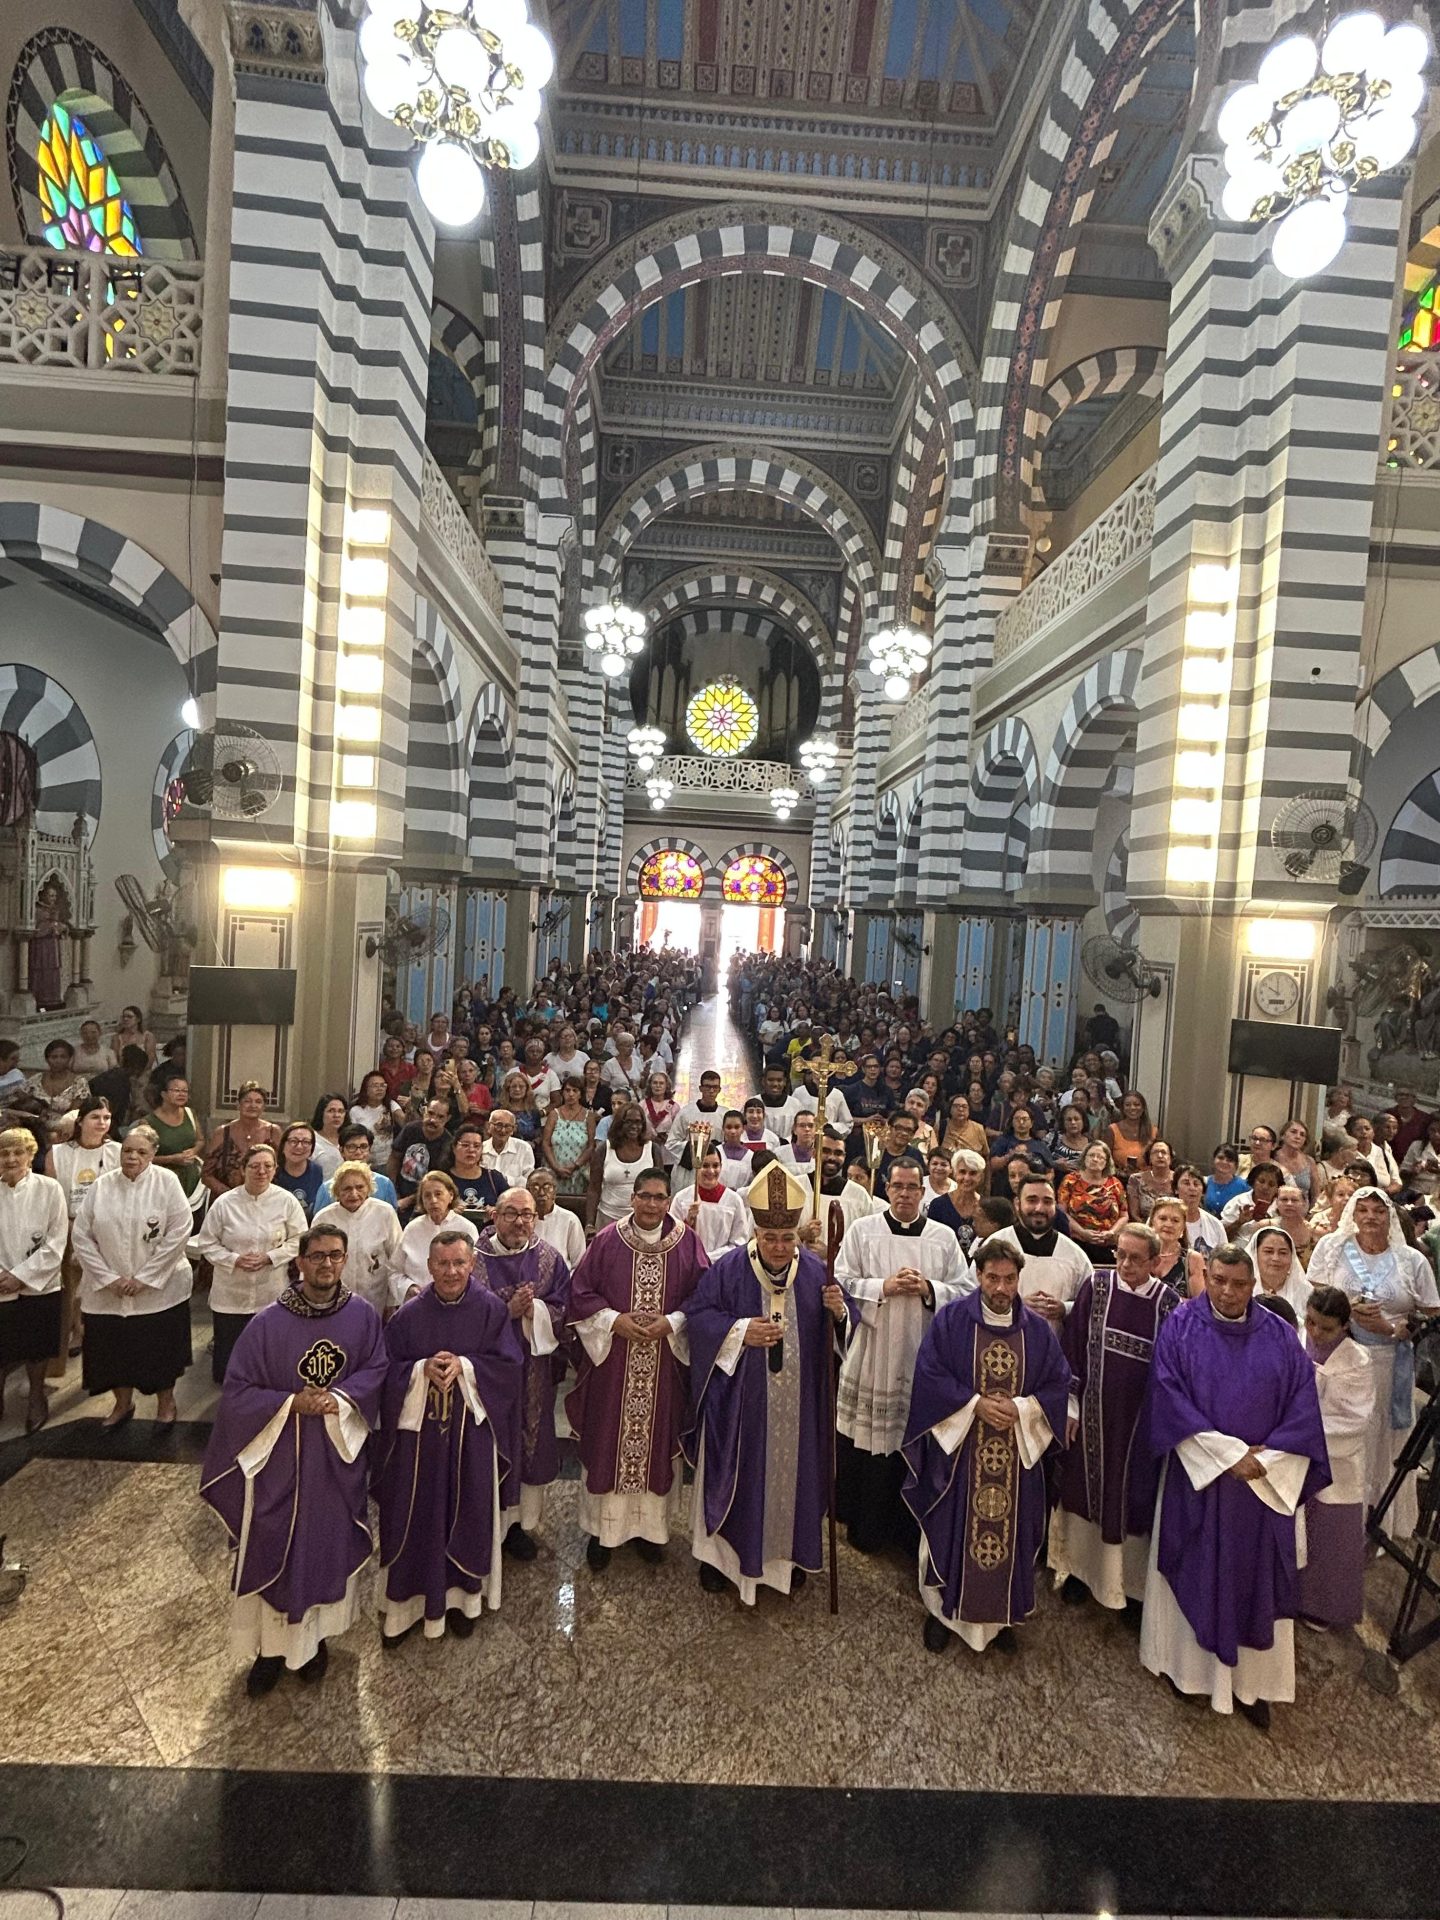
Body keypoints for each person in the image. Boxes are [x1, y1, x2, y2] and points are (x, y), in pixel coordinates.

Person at [1138, 1244, 1330, 1729]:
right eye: (1219, 1281)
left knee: (1256, 1580)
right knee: (1196, 1565)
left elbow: (1304, 1409)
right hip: (1199, 1481)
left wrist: (1264, 1460)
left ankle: (1252, 1685)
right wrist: (1226, 1457)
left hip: (1261, 1486)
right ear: (1207, 1277)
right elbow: (1168, 1396)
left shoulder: (1280, 1336)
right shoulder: (1180, 1326)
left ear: (1253, 1285)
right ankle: (1190, 1674)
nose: (1227, 1292)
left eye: (1239, 1284)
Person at [199, 1224, 388, 1693]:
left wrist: (340, 1398)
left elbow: (377, 1370)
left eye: (335, 1255)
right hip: (279, 1462)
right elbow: (238, 1391)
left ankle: (314, 1642)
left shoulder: (363, 1317)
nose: (327, 1264)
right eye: (317, 1256)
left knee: (324, 1545)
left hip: (334, 1460)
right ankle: (268, 1650)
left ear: (345, 1260)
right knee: (271, 1542)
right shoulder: (267, 1323)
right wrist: (290, 1403)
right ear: (299, 1262)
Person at [685, 1162, 849, 1603]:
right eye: (770, 1237)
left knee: (793, 1482)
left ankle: (784, 1561)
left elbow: (839, 1334)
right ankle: (720, 1558)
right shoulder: (729, 1269)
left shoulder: (816, 1272)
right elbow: (698, 1318)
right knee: (736, 1479)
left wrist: (838, 1312)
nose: (779, 1246)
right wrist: (740, 1331)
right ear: (756, 1232)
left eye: (787, 1238)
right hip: (740, 1408)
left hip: (799, 1409)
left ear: (799, 1235)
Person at [902, 1238, 1070, 1654]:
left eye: (1009, 1279)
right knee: (950, 1530)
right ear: (978, 1275)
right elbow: (929, 1374)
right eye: (992, 1278)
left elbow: (1057, 1383)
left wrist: (1021, 1408)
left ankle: (999, 1617)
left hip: (1015, 1455)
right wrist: (974, 1405)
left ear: (1018, 1279)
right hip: (960, 1455)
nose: (1000, 1288)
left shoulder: (1037, 1331)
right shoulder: (952, 1320)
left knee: (1011, 1537)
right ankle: (942, 1613)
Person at [374, 1228, 524, 1644]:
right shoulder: (408, 1316)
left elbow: (510, 1367)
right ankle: (406, 1607)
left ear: (472, 1264)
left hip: (470, 1437)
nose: (452, 1271)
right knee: (413, 1517)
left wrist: (467, 1368)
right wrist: (419, 1370)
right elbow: (384, 1372)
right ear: (429, 1266)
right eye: (442, 1264)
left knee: (468, 1510)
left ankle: (463, 1602)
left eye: (459, 1263)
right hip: (417, 1443)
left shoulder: (491, 1311)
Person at [566, 1166, 706, 1569]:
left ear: (669, 1201)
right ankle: (602, 1532)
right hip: (613, 1363)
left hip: (664, 1365)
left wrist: (673, 1322)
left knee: (657, 1443)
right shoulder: (608, 1240)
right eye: (644, 1196)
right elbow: (580, 1292)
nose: (651, 1204)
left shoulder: (687, 1242)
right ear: (632, 1198)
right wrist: (613, 1320)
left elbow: (704, 1297)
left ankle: (650, 1532)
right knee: (607, 1440)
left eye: (659, 1197)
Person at [834, 1157, 971, 1554]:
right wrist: (883, 1287)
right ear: (887, 1189)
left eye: (913, 1187)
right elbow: (840, 1281)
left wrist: (929, 1289)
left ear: (923, 1192)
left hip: (922, 1355)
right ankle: (866, 1527)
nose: (905, 1194)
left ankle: (907, 1533)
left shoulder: (943, 1238)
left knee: (913, 1441)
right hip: (873, 1351)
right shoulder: (863, 1230)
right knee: (871, 1444)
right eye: (898, 1186)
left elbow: (965, 1290)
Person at [1049, 1221, 1179, 1615]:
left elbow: (1174, 1368)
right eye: (1120, 1255)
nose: (1124, 1264)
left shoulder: (1169, 1304)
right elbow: (1073, 1344)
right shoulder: (1097, 1286)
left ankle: (1129, 1586)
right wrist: (1071, 1405)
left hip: (1139, 1426)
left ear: (1155, 1262)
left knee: (1132, 1500)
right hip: (1091, 1416)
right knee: (1083, 1491)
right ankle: (1078, 1571)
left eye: (1135, 1258)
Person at [1305, 1187, 1440, 1540]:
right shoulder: (1332, 1248)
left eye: (1378, 1211)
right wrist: (1347, 1312)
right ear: (1352, 1213)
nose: (1370, 1217)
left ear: (1390, 1216)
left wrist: (1393, 1329)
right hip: (1339, 1359)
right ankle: (1339, 1521)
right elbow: (1315, 1299)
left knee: (1384, 1439)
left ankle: (1381, 1521)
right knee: (1347, 1435)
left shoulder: (1411, 1260)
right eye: (1362, 1209)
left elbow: (1432, 1314)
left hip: (1389, 1361)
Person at [470, 1186, 571, 1557]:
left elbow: (565, 1308)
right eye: (511, 1213)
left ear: (536, 1219)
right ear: (495, 1216)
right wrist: (506, 1311)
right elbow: (461, 1313)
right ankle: (483, 1526)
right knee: (489, 1444)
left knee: (529, 1442)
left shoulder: (549, 1258)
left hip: (533, 1371)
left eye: (527, 1214)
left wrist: (535, 1311)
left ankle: (517, 1526)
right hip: (486, 1373)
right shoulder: (472, 1259)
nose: (519, 1222)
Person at [73, 1125, 193, 1429]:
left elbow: (179, 1230)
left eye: (141, 1152)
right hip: (108, 1290)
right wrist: (108, 1279)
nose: (132, 1157)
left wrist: (146, 1278)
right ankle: (122, 1403)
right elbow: (82, 1235)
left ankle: (166, 1403)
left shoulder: (166, 1182)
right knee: (113, 1352)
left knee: (159, 1352)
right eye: (127, 1150)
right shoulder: (102, 1185)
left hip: (158, 1290)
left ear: (153, 1154)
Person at [1296, 1287, 1375, 1632]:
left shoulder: (1357, 1361)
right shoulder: (1298, 1337)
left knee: (1328, 1531)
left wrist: (1303, 1430)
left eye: (1326, 1328)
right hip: (1294, 1448)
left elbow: (1353, 1419)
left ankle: (1320, 1603)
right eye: (1310, 1321)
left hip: (1334, 1458)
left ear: (1345, 1326)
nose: (1315, 1332)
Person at [196, 1144, 308, 1381]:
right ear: (242, 1169)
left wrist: (271, 1257)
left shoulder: (286, 1201)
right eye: (254, 1166)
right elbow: (207, 1242)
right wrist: (234, 1260)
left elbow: (300, 1239)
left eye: (268, 1166)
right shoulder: (225, 1203)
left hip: (270, 1289)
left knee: (268, 1356)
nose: (261, 1171)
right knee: (228, 1361)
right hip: (230, 1293)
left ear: (275, 1169)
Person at [0, 1126, 69, 1433]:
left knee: (37, 1345)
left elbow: (57, 1239)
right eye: (4, 1153)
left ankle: (36, 1397)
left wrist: (21, 1276)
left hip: (39, 1283)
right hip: (0, 1285)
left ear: (31, 1155)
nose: (11, 1159)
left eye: (18, 1152)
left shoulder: (49, 1189)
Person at [46, 1096, 121, 1358]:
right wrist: (71, 1229)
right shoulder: (58, 1153)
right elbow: (52, 1198)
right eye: (95, 1117)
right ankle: (75, 1330)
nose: (102, 1123)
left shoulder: (117, 1151)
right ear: (80, 1121)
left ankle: (100, 1333)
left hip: (107, 1227)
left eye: (106, 1118)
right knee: (72, 1286)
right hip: (68, 1224)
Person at [993, 1170, 1090, 1324]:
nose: (1039, 1208)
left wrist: (1065, 1309)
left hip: (1055, 1337)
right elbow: (971, 1295)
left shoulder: (1074, 1255)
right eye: (1032, 1200)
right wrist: (1015, 1306)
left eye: (1047, 1201)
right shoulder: (994, 1246)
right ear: (1017, 1204)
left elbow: (1091, 1302)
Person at [310, 1160, 401, 1316]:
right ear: (336, 1191)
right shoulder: (323, 1218)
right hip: (333, 1300)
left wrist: (393, 1302)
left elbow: (397, 1259)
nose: (353, 1194)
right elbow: (311, 1262)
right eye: (346, 1188)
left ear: (369, 1188)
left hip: (376, 1298)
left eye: (360, 1187)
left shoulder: (385, 1213)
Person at [392, 1170, 480, 1304]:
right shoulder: (412, 1229)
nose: (433, 1200)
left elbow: (478, 1271)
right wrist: (409, 1288)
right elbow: (394, 1271)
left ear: (451, 1195)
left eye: (438, 1194)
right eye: (427, 1196)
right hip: (419, 1303)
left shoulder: (467, 1228)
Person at [201, 1082, 283, 1199]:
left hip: (265, 1197)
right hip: (226, 1198)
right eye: (247, 1101)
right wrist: (231, 1196)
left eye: (258, 1102)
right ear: (238, 1105)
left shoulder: (273, 1132)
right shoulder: (222, 1133)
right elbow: (206, 1175)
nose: (253, 1105)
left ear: (264, 1107)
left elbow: (282, 1169)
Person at [672, 1141, 752, 1256]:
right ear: (696, 1166)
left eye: (715, 1166)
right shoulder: (682, 1199)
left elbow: (739, 1242)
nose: (711, 1171)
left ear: (721, 1166)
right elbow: (672, 1239)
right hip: (690, 1262)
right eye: (705, 1165)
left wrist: (709, 1258)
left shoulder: (734, 1200)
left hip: (722, 1263)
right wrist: (687, 1222)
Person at [589, 1103, 660, 1228]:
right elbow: (594, 1189)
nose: (634, 1126)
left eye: (638, 1122)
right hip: (607, 1217)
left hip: (642, 1220)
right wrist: (589, 1224)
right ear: (619, 1123)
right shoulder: (604, 1149)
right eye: (628, 1122)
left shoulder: (653, 1149)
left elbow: (660, 1188)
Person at [1058, 1142, 1128, 1262]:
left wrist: (1111, 1232)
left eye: (1100, 1157)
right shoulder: (1070, 1180)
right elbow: (1062, 1213)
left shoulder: (1115, 1183)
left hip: (1108, 1242)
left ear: (1106, 1162)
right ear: (1084, 1158)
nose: (1095, 1159)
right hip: (1077, 1241)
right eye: (1091, 1155)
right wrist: (1082, 1232)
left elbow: (1124, 1215)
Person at [389, 1097, 455, 1220]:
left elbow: (437, 1182)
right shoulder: (410, 1129)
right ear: (424, 1111)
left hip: (426, 1201)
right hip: (398, 1192)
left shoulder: (448, 1144)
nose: (433, 1120)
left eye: (440, 1117)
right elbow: (394, 1158)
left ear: (448, 1118)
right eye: (430, 1113)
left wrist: (409, 1200)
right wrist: (393, 1191)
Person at [149, 1076, 205, 1214]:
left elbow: (200, 1140)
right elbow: (144, 1157)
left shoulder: (190, 1113)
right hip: (163, 1179)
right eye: (176, 1090)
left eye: (185, 1091)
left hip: (191, 1178)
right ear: (163, 1094)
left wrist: (194, 1151)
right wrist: (173, 1159)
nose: (181, 1094)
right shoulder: (149, 1122)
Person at [314, 1126, 399, 1211]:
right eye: (351, 1147)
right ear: (341, 1151)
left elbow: (391, 1216)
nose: (358, 1152)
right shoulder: (327, 1189)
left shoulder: (385, 1184)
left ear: (370, 1149)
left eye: (363, 1146)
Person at [541, 1074, 595, 1202]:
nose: (571, 1094)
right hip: (554, 1170)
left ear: (580, 1094)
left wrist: (575, 1166)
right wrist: (556, 1168)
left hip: (578, 1172)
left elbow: (591, 1145)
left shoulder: (589, 1116)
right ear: (562, 1093)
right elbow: (546, 1143)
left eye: (575, 1091)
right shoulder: (554, 1114)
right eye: (567, 1090)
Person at [26, 1039, 89, 1137]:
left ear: (70, 1059)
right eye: (54, 1057)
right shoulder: (36, 1079)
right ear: (47, 1059)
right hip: (34, 1127)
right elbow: (23, 1102)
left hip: (66, 1129)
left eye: (63, 1057)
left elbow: (75, 1113)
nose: (58, 1061)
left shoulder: (79, 1083)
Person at [1250, 1225, 1312, 1320]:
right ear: (1255, 1255)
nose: (1276, 1258)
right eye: (1268, 1252)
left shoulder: (1306, 1292)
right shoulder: (1244, 1289)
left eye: (1283, 1253)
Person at [528, 1166, 586, 1268]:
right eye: (535, 1188)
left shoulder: (570, 1220)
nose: (541, 1193)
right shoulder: (521, 1219)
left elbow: (579, 1263)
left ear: (555, 1191)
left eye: (547, 1187)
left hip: (562, 1276)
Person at [349, 1071, 404, 1173]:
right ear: (366, 1089)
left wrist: (410, 1108)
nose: (380, 1089)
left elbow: (405, 1123)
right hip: (364, 1160)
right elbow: (352, 1136)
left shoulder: (390, 1105)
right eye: (375, 1085)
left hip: (387, 1162)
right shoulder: (356, 1110)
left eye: (383, 1085)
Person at [273, 1122, 324, 1219]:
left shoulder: (317, 1171)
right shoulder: (272, 1171)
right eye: (293, 1141)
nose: (299, 1146)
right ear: (283, 1145)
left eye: (306, 1142)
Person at [1345, 1114, 1402, 1197]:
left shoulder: (1384, 1154)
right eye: (1358, 1129)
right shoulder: (1346, 1153)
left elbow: (1397, 1183)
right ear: (1350, 1134)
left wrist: (1380, 1193)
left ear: (1373, 1132)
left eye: (1367, 1129)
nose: (1364, 1132)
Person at [481, 1107, 534, 1192]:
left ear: (513, 1129)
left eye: (508, 1126)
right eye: (499, 1125)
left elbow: (529, 1181)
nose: (503, 1130)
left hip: (515, 1195)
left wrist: (505, 1180)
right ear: (489, 1126)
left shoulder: (524, 1148)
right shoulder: (480, 1149)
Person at [1126, 1139, 1176, 1221]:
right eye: (1155, 1152)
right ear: (1149, 1158)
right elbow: (1134, 1214)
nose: (1160, 1156)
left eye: (1164, 1152)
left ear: (1170, 1158)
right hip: (1143, 1226)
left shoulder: (1179, 1179)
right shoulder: (1136, 1179)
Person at [310, 1094, 350, 1181]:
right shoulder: (312, 1139)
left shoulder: (349, 1139)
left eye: (341, 1111)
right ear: (321, 1113)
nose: (336, 1115)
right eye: (331, 1111)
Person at [1203, 1146, 1247, 1216]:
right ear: (1213, 1160)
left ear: (1236, 1165)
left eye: (1229, 1160)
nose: (1224, 1162)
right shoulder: (1203, 1182)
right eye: (1221, 1158)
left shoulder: (1245, 1187)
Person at [111, 1004, 157, 1068]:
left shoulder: (148, 1036)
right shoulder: (117, 1038)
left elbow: (150, 1059)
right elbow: (114, 1059)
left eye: (129, 1017)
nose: (125, 1019)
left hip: (144, 1070)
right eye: (123, 1017)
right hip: (123, 1070)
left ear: (138, 1019)